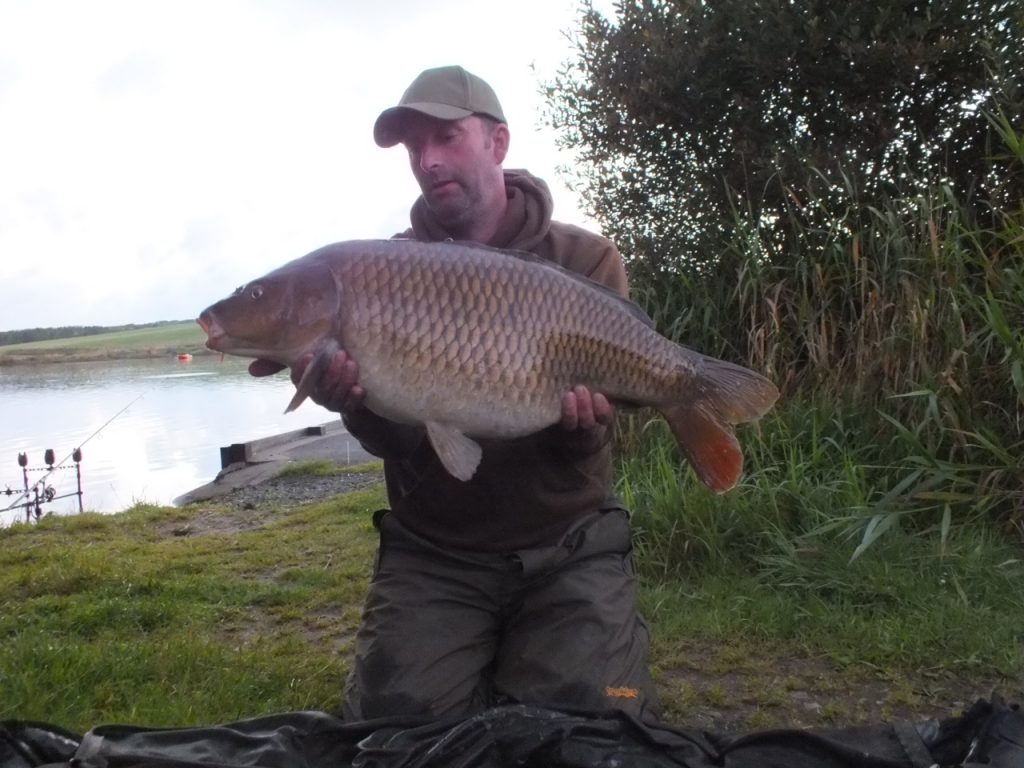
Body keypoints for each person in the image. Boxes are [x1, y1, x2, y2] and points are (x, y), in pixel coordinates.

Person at [252, 65, 658, 722]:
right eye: (416, 148)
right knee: (394, 729)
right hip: (434, 551)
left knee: (593, 725)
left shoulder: (584, 260)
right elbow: (397, 440)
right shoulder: (384, 273)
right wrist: (354, 402)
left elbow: (593, 431)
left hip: (567, 542)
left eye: (446, 138)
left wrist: (584, 425)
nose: (429, 161)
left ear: (497, 144)